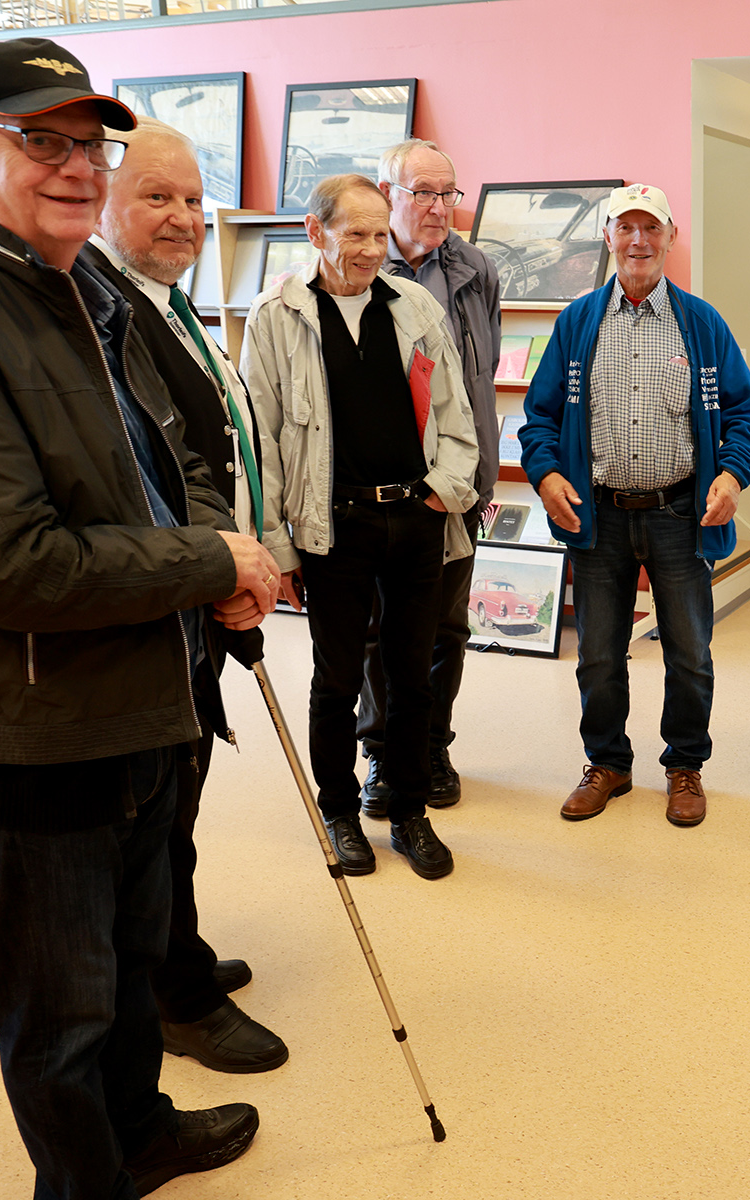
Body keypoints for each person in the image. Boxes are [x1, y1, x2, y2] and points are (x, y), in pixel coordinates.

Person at [0, 38, 276, 1197]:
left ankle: (136, 1132)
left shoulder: (87, 290)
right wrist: (207, 561)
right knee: (62, 1010)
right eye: (43, 140)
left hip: (143, 697)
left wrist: (216, 558)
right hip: (37, 732)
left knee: (134, 966)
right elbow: (14, 567)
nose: (77, 166)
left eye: (90, 143)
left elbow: (173, 451)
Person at [91, 117, 288, 1075]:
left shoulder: (166, 300)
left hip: (207, 586)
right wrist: (220, 568)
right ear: (105, 205)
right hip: (165, 604)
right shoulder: (104, 312)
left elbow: (206, 455)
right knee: (162, 816)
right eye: (157, 199)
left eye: (195, 204)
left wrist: (240, 560)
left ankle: (184, 954)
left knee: (186, 801)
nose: (183, 220)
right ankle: (178, 996)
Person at [244, 173, 478, 880]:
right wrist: (277, 547)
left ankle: (407, 811)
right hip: (332, 527)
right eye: (357, 234)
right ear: (315, 232)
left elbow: (454, 416)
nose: (374, 249)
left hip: (413, 518)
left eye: (381, 234)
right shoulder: (276, 316)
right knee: (336, 679)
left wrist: (445, 491)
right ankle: (340, 812)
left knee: (412, 675)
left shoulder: (414, 307)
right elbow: (263, 439)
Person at [519, 183, 750, 828]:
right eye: (625, 228)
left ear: (670, 238)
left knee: (690, 651)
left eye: (650, 229)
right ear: (608, 238)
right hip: (597, 515)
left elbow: (744, 413)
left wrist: (733, 476)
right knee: (599, 652)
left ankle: (685, 765)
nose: (638, 241)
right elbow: (538, 417)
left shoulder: (701, 323)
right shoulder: (577, 322)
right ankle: (608, 763)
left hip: (680, 512)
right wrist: (545, 476)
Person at [354, 138, 502, 815]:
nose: (441, 207)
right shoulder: (353, 262)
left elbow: (480, 382)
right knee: (379, 630)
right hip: (378, 487)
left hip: (456, 486)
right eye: (425, 193)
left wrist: (479, 475)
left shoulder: (476, 270)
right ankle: (384, 757)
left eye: (450, 193)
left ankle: (432, 745)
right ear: (389, 194)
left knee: (445, 628)